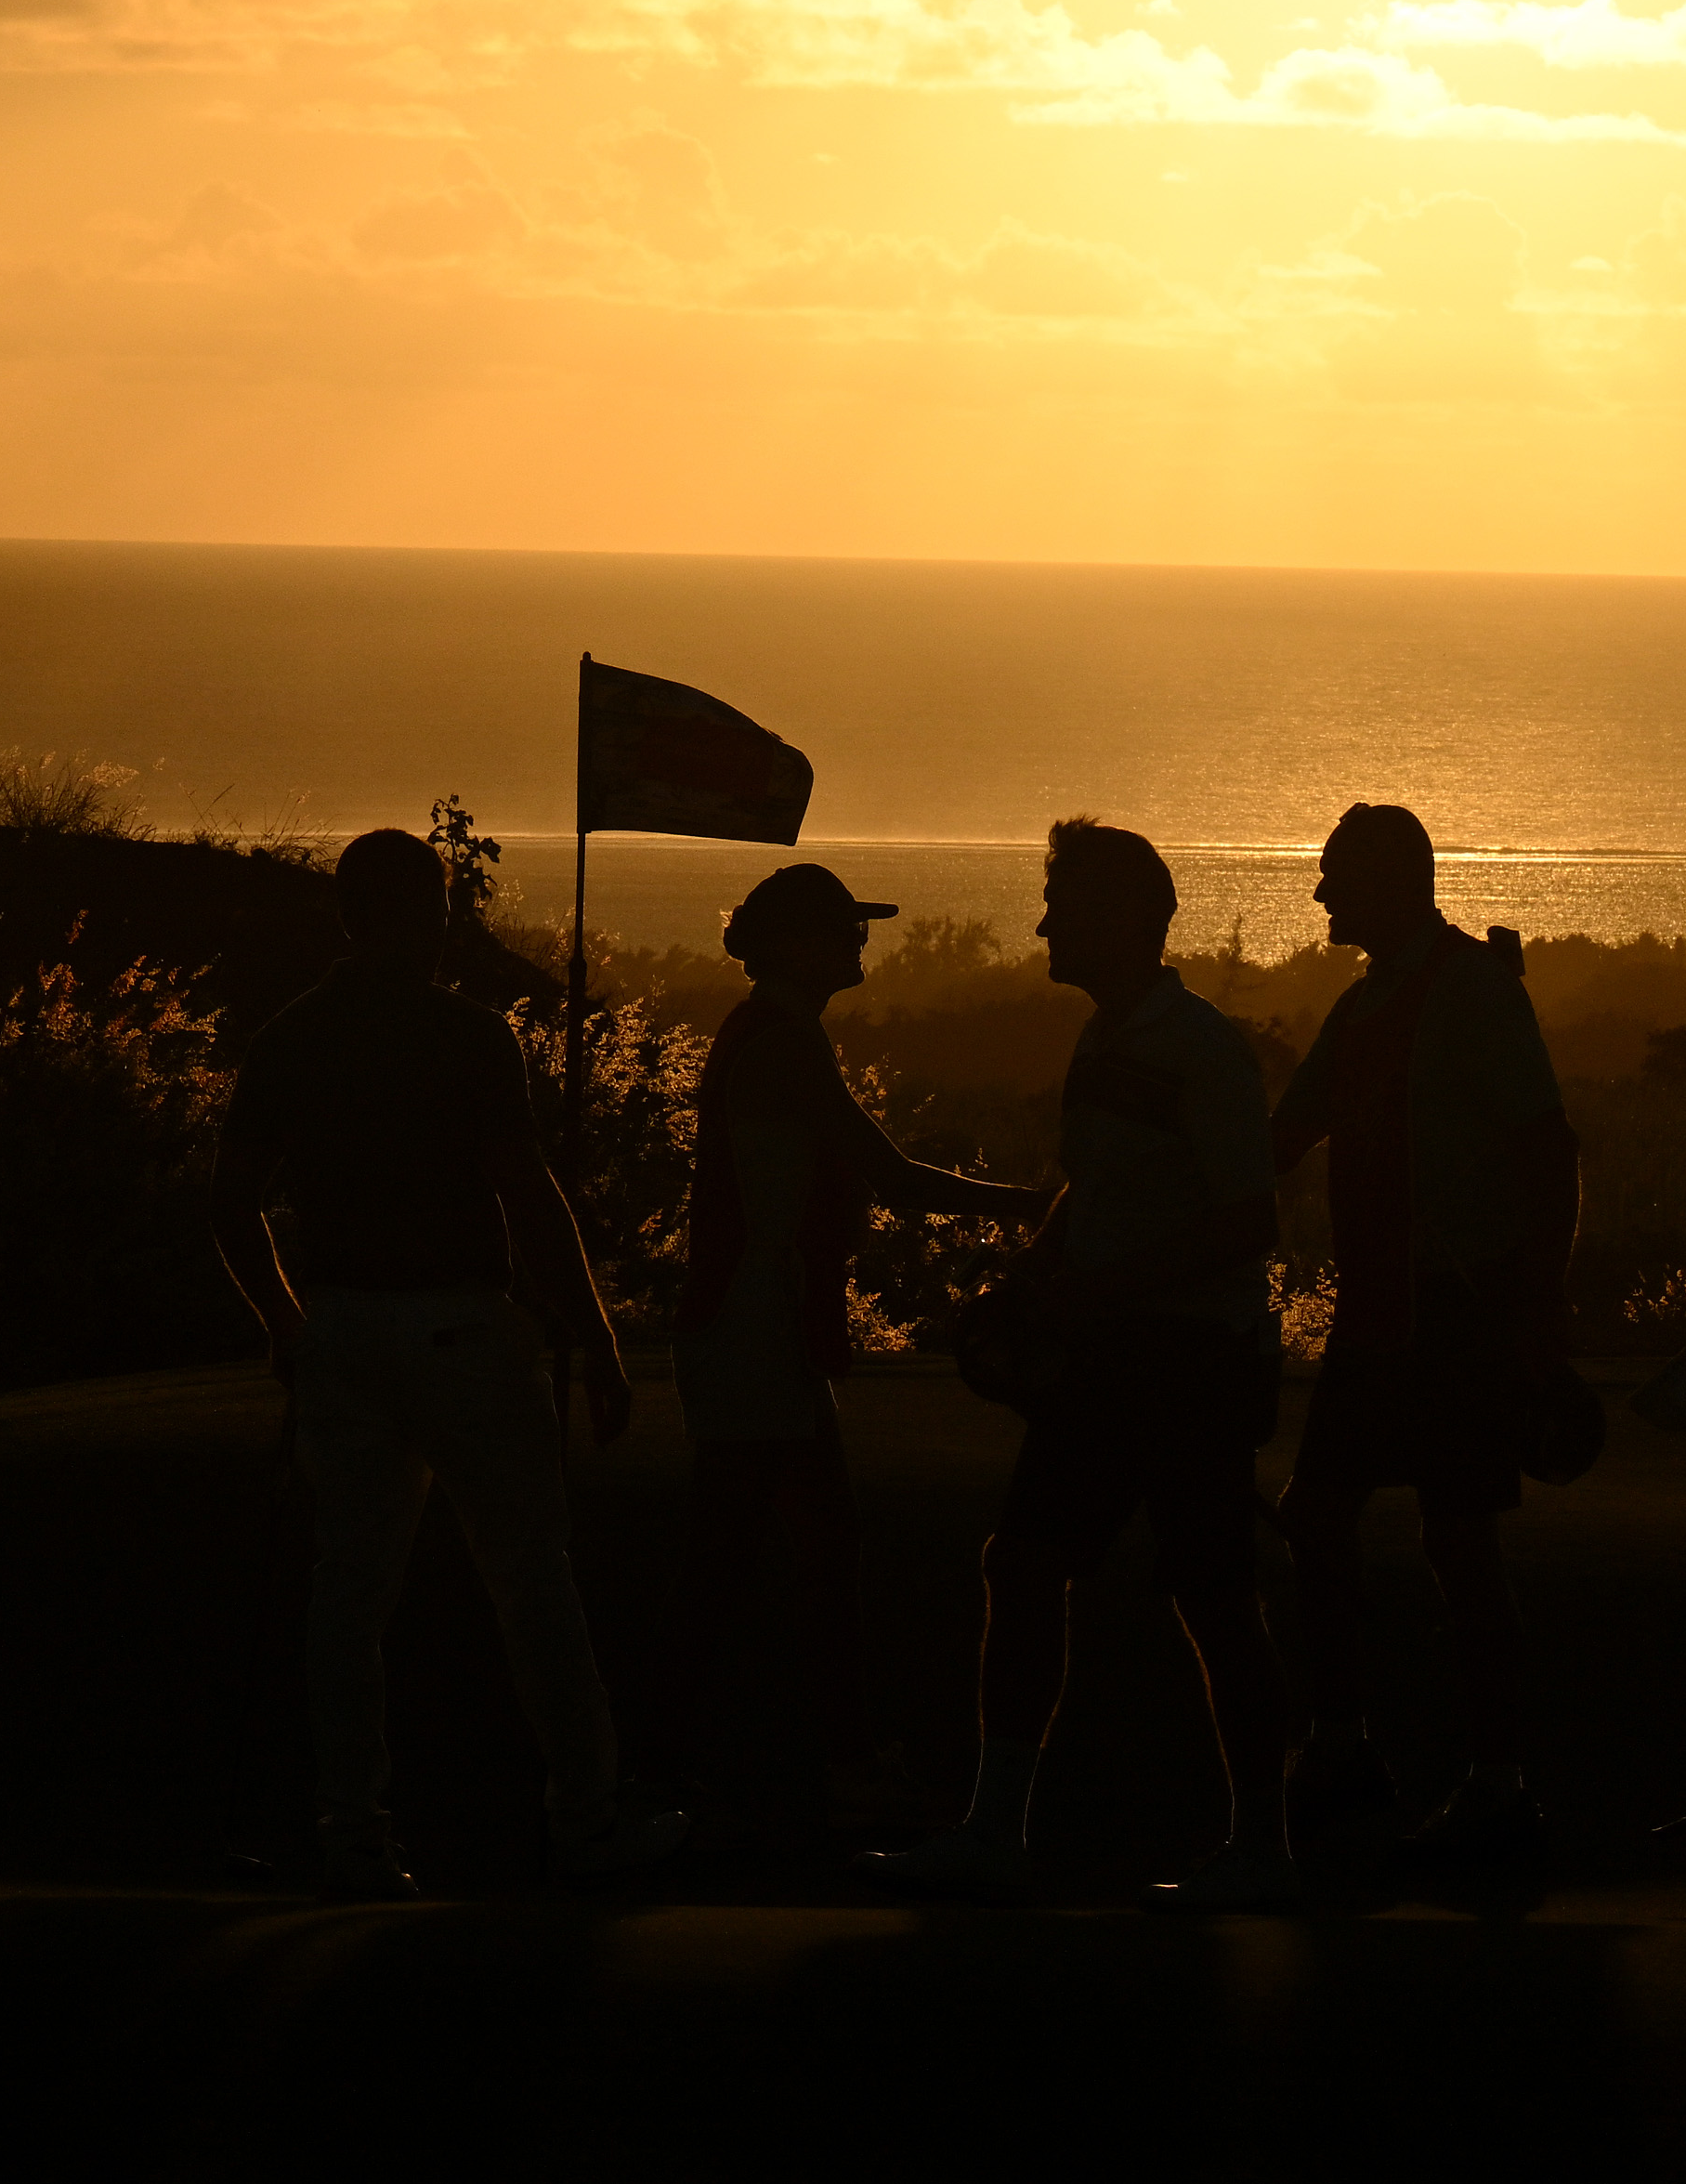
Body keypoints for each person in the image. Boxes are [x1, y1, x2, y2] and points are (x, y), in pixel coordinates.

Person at [214, 825, 688, 1903]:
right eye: (436, 911)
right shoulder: (468, 1038)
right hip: (463, 1335)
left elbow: (231, 1209)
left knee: (350, 1595)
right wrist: (597, 1339)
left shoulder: (292, 1039)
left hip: (341, 1332)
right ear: (422, 914)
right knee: (533, 1584)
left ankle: (351, 1835)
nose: (443, 930)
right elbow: (527, 1196)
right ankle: (586, 1818)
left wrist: (289, 1331)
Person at [872, 817, 1300, 1913]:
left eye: (1061, 908)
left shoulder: (1200, 1049)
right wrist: (1038, 1275)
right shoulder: (1106, 1041)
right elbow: (1093, 1189)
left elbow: (1251, 1216)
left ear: (1125, 919)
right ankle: (997, 1829)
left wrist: (1102, 1287)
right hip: (1114, 1361)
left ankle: (1261, 1848)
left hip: (1190, 1363)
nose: (1044, 925)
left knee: (1213, 1599)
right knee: (1023, 1567)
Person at [673, 861, 1049, 1837]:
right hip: (756, 1326)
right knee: (775, 1555)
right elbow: (892, 1174)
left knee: (774, 1553)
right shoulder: (784, 1042)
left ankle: (710, 1761)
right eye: (844, 930)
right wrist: (1032, 1208)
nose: (861, 944)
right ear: (797, 945)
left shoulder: (775, 1032)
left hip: (757, 1325)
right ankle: (773, 1762)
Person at [1267, 802, 1579, 1869]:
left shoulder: (1473, 991)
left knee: (1455, 1540)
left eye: (1336, 880)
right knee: (1321, 1518)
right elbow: (1284, 1134)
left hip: (1455, 1312)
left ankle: (1494, 1781)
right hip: (1378, 1310)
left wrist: (1539, 1313)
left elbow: (1549, 1152)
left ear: (1392, 883)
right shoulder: (1366, 1004)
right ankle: (1350, 1744)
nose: (1319, 897)